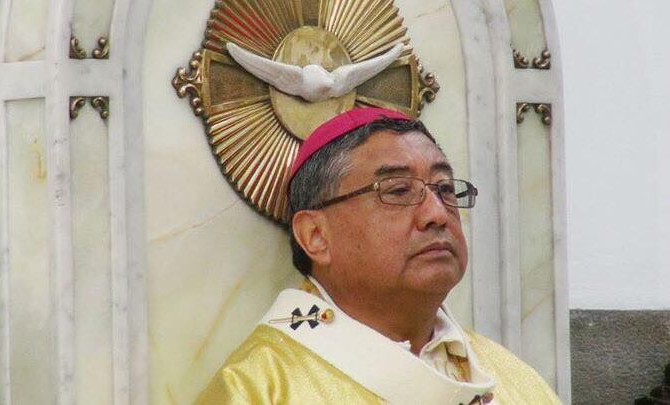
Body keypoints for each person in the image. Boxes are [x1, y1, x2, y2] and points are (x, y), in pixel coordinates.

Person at [196, 108, 561, 404]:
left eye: (445, 189)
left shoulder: (514, 381)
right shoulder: (258, 388)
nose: (437, 213)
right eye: (399, 190)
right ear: (316, 236)